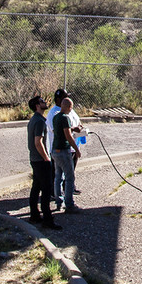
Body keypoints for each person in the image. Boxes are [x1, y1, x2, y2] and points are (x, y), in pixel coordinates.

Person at [26, 96, 59, 229]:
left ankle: (34, 215)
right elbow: (38, 142)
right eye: (42, 102)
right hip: (40, 160)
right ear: (37, 106)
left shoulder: (35, 119)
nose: (45, 103)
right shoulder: (39, 121)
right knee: (46, 190)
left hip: (35, 159)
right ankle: (47, 219)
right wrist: (46, 158)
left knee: (36, 187)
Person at [51, 93, 83, 214]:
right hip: (64, 150)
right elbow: (68, 135)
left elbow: (64, 130)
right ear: (68, 106)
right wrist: (76, 149)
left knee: (58, 176)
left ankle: (59, 202)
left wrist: (73, 128)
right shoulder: (65, 118)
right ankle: (69, 204)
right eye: (71, 107)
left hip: (55, 150)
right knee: (69, 177)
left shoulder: (56, 117)